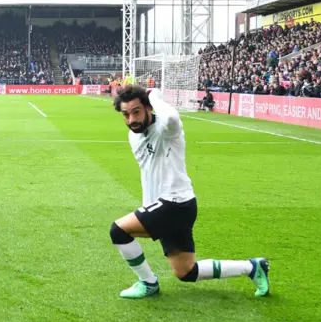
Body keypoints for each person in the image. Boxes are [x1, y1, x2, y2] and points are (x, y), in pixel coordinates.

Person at [110, 85, 270, 299]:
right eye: (126, 114)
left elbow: (172, 119)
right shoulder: (134, 135)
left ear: (148, 108)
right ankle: (252, 267)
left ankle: (148, 283)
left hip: (174, 203)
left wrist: (155, 97)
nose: (131, 120)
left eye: (136, 111)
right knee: (186, 272)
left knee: (118, 231)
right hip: (171, 205)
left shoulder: (167, 129)